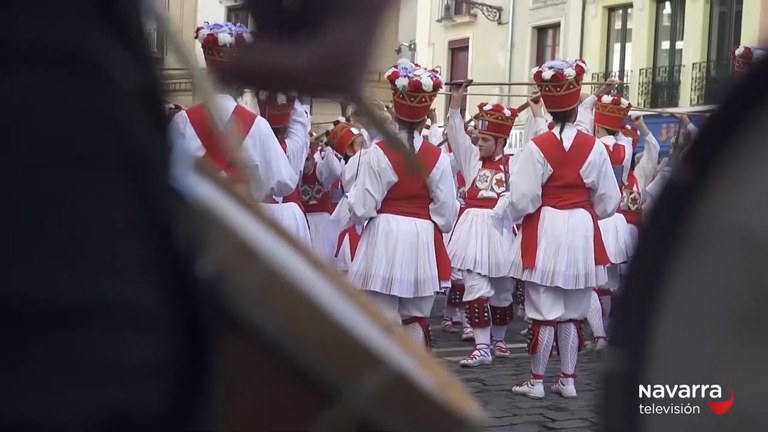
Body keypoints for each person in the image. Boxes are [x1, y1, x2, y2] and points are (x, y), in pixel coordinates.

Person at [504, 59, 620, 399]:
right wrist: (585, 209)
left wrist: (519, 212)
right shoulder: (594, 146)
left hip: (548, 225)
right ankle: (568, 379)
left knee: (544, 307)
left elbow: (523, 198)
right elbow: (609, 200)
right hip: (581, 227)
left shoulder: (537, 146)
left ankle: (537, 381)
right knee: (573, 307)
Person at [346, 60, 458, 348]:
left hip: (383, 234)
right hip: (422, 236)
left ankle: (383, 369)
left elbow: (362, 208)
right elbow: (447, 213)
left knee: (380, 315)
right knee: (415, 316)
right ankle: (413, 370)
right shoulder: (438, 157)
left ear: (395, 113)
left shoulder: (377, 152)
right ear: (424, 119)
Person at [169, 22, 298, 203]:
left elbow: (167, 172)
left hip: (195, 217)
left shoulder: (183, 121)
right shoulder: (258, 126)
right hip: (240, 218)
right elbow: (284, 182)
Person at [445, 83, 519, 367]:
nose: (479, 144)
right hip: (474, 230)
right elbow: (456, 134)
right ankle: (482, 347)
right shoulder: (472, 161)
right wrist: (455, 103)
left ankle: (498, 340)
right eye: (478, 138)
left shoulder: (514, 165)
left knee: (503, 290)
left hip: (501, 230)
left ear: (501, 141)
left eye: (485, 139)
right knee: (476, 286)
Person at [257, 92, 313, 246]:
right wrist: (290, 98)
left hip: (258, 213)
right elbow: (300, 125)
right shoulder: (294, 147)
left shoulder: (254, 145)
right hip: (290, 215)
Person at [301, 125, 344, 262]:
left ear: (313, 159)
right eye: (303, 160)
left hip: (322, 223)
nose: (304, 164)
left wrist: (328, 149)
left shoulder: (320, 170)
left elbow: (336, 171)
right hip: (304, 222)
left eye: (307, 159)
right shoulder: (296, 172)